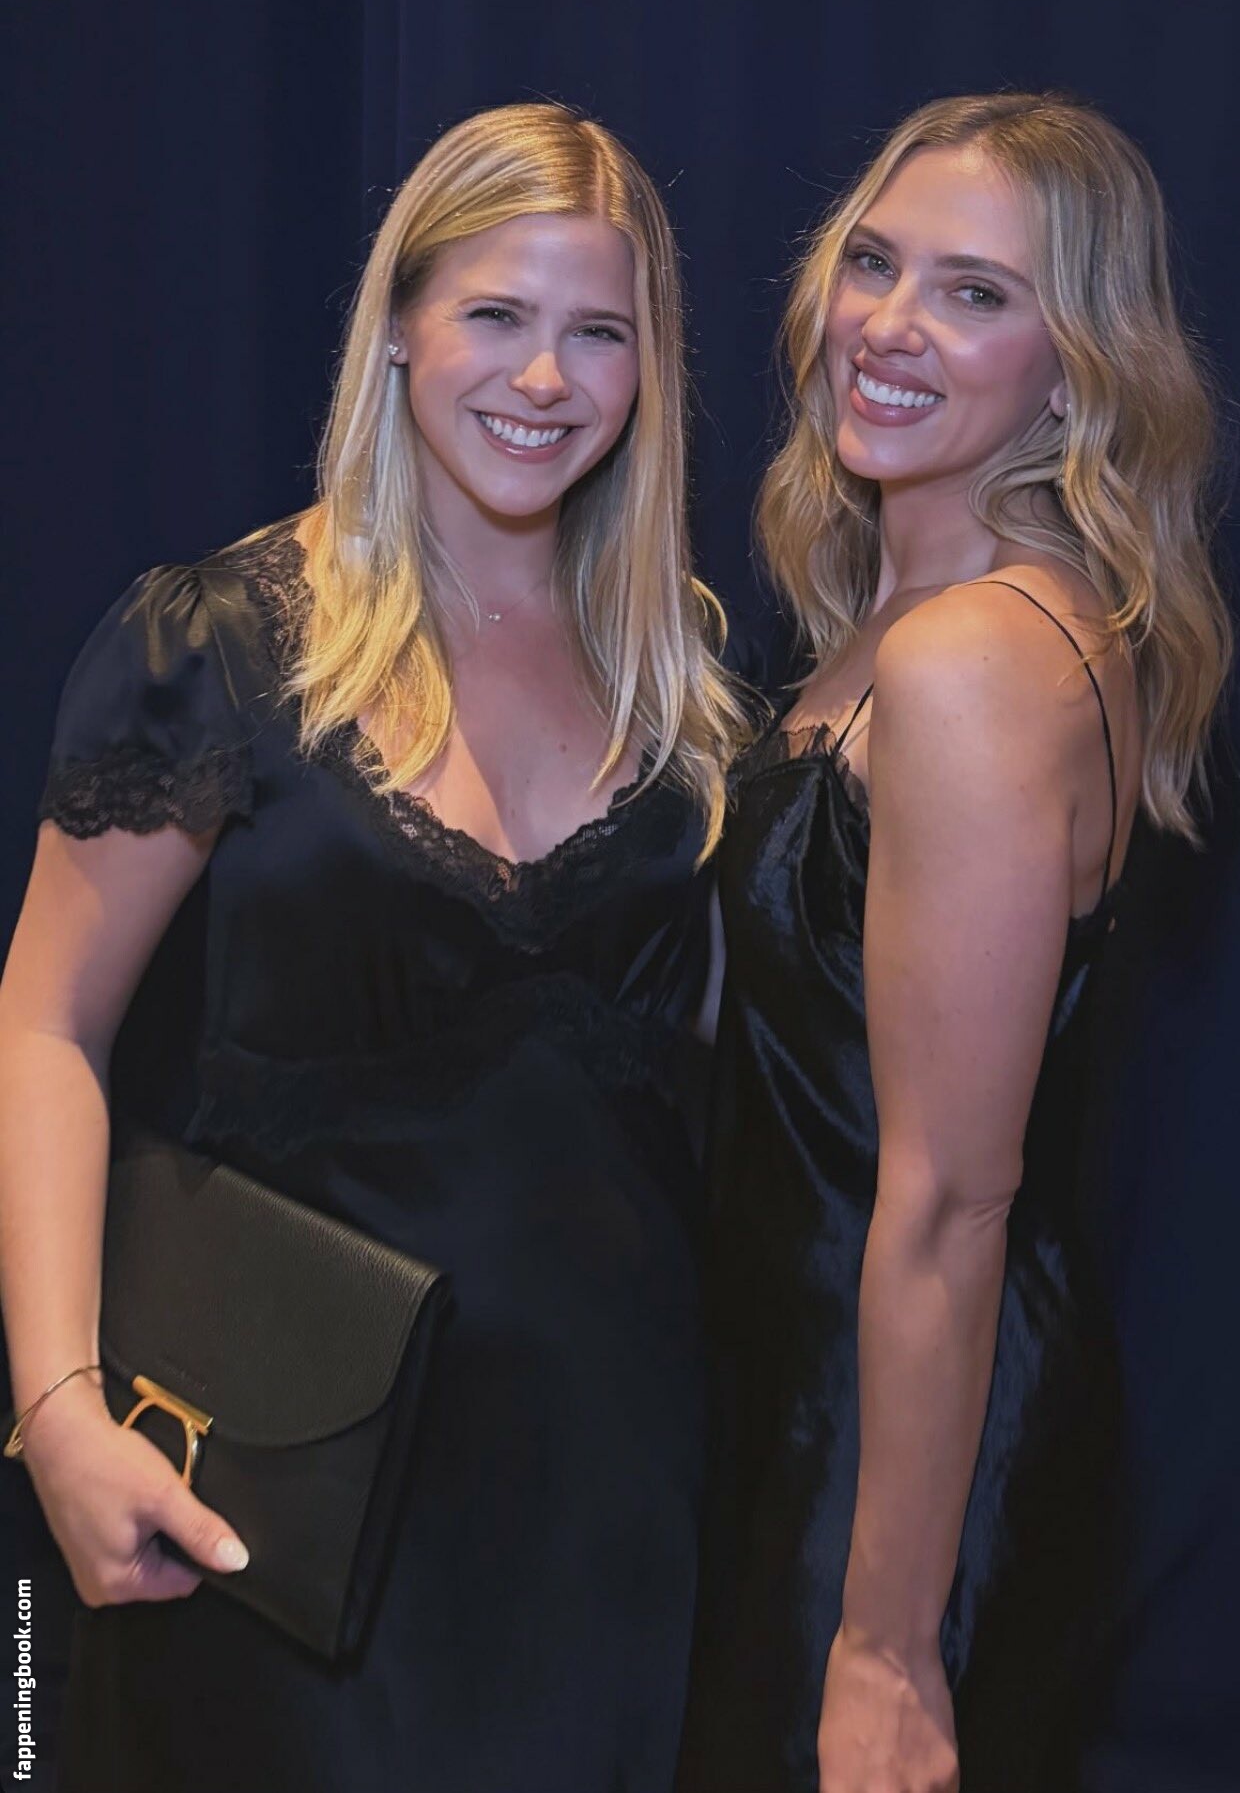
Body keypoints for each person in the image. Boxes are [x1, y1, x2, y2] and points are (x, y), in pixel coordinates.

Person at [0, 101, 746, 1793]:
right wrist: (57, 1410)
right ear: (399, 324)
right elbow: (43, 1028)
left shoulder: (681, 687)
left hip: (606, 1511)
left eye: (598, 332)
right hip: (287, 1494)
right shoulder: (214, 642)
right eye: (495, 313)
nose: (544, 377)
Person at [676, 92, 1231, 1793]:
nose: (891, 323)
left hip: (893, 1456)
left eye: (975, 292)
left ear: (1074, 369)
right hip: (808, 1397)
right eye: (873, 263)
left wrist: (884, 1643)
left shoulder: (976, 657)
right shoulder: (894, 619)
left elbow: (946, 1196)